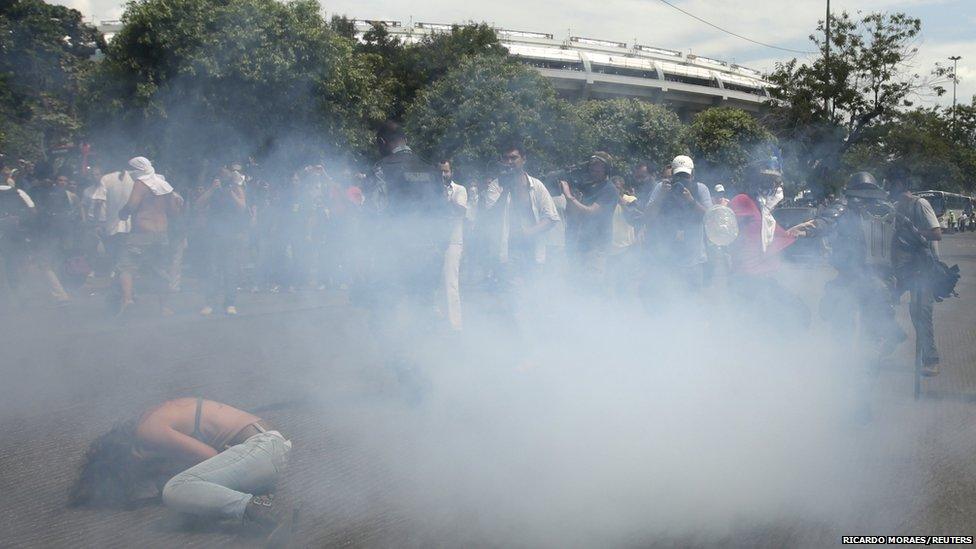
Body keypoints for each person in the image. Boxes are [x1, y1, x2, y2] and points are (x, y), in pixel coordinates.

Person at [70, 398, 292, 544]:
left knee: (174, 490)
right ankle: (257, 502)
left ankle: (260, 511)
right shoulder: (152, 415)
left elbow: (210, 457)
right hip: (266, 449)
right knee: (190, 494)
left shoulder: (149, 430)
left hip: (260, 449)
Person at [809, 172, 906, 360]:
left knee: (870, 326)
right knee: (837, 310)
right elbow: (826, 220)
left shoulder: (882, 212)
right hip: (857, 276)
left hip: (871, 278)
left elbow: (905, 242)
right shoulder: (850, 209)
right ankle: (848, 357)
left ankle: (867, 355)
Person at [726, 157, 811, 329]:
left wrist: (798, 229)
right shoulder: (742, 201)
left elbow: (777, 235)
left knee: (795, 317)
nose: (776, 187)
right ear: (757, 181)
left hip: (763, 277)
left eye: (776, 182)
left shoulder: (762, 210)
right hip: (748, 278)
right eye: (770, 181)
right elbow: (729, 232)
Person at [483, 141, 560, 284]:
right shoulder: (496, 186)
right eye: (506, 158)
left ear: (523, 160)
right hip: (507, 252)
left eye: (514, 158)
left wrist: (528, 232)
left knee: (533, 296)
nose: (509, 162)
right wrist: (506, 189)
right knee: (510, 295)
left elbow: (551, 217)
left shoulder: (536, 185)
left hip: (533, 252)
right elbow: (491, 217)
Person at [889, 174, 943, 376]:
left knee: (920, 312)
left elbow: (936, 233)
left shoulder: (920, 204)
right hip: (903, 269)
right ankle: (893, 335)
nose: (888, 185)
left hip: (923, 269)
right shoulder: (894, 207)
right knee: (881, 299)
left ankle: (931, 359)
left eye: (890, 181)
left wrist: (915, 231)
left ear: (900, 183)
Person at [116, 157, 183, 316]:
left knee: (126, 266)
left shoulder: (141, 183)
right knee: (159, 269)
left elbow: (132, 205)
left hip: (142, 234)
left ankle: (127, 300)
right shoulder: (164, 186)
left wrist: (122, 213)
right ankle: (164, 307)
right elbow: (174, 213)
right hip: (161, 235)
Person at [641, 155, 713, 298]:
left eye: (685, 175)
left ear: (692, 174)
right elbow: (647, 217)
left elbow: (711, 218)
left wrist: (691, 201)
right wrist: (661, 195)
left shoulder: (700, 189)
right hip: (665, 260)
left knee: (692, 303)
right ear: (672, 174)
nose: (682, 179)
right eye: (679, 175)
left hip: (693, 260)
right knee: (664, 303)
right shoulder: (661, 188)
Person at [560, 151, 620, 289]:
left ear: (606, 169)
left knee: (591, 287)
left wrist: (569, 196)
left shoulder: (609, 189)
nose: (594, 169)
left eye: (599, 166)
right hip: (579, 244)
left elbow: (591, 212)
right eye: (592, 166)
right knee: (575, 286)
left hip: (596, 247)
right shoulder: (588, 187)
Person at [195, 167, 248, 315]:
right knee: (212, 269)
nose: (224, 177)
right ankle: (209, 303)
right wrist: (212, 189)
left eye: (226, 174)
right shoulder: (213, 189)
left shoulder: (236, 188)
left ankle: (230, 303)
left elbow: (242, 207)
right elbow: (198, 204)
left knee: (230, 270)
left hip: (231, 235)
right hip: (214, 234)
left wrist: (231, 192)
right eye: (221, 174)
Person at [439, 160, 467, 332]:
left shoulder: (460, 190)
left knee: (451, 283)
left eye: (446, 171)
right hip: (434, 241)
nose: (443, 175)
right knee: (434, 282)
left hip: (453, 242)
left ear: (451, 172)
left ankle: (455, 325)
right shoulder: (431, 191)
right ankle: (437, 317)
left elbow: (462, 210)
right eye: (441, 172)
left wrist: (445, 198)